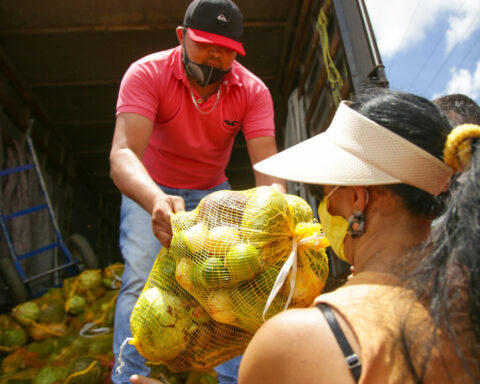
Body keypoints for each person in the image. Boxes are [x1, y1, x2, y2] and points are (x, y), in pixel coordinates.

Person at [234, 87, 479, 383]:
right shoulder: (467, 309)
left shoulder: (295, 340)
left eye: (322, 192)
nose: (323, 207)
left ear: (356, 200)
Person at [109, 0, 285, 382]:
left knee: (226, 289)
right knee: (139, 279)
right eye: (205, 44)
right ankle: (128, 376)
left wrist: (277, 222)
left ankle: (234, 379)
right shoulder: (148, 73)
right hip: (150, 187)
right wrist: (155, 199)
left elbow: (267, 169)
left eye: (226, 50)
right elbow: (122, 154)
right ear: (181, 36)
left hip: (211, 195)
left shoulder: (252, 91)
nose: (215, 56)